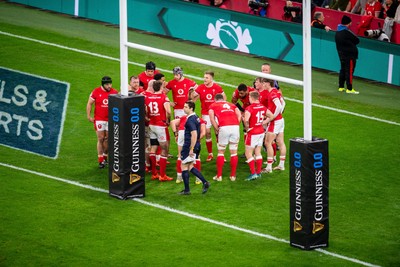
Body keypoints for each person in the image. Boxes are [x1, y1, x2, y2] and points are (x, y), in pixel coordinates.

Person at [191, 71, 225, 162]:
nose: (204, 79)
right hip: (205, 113)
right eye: (204, 77)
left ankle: (221, 153)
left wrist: (221, 109)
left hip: (216, 113)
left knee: (218, 132)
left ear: (211, 79)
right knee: (207, 132)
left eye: (207, 78)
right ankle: (210, 154)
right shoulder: (201, 87)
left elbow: (224, 98)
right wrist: (192, 94)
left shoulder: (217, 87)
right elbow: (193, 97)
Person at [178, 101, 210, 195]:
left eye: (186, 107)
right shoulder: (196, 118)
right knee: (190, 166)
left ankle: (187, 190)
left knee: (184, 166)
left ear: (191, 108)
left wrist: (191, 148)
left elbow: (194, 134)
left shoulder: (190, 120)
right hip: (196, 145)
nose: (184, 108)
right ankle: (205, 182)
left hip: (189, 145)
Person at [86, 76, 118, 168]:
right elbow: (89, 103)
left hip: (110, 119)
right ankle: (100, 160)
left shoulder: (114, 92)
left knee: (108, 139)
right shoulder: (96, 92)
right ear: (103, 84)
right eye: (107, 84)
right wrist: (88, 116)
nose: (109, 86)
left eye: (110, 84)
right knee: (100, 138)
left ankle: (105, 156)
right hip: (99, 119)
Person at [144, 80, 173, 182]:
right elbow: (168, 111)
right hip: (160, 125)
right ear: (160, 87)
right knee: (164, 149)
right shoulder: (163, 97)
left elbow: (145, 110)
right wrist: (168, 120)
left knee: (153, 147)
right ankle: (163, 175)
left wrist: (147, 117)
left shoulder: (148, 97)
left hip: (151, 124)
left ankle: (154, 173)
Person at [209, 93, 241, 181]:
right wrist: (236, 124)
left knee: (221, 152)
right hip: (235, 127)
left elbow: (212, 119)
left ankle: (219, 176)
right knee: (234, 152)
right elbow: (239, 115)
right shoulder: (232, 105)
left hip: (223, 127)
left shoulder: (213, 105)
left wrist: (217, 129)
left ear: (215, 99)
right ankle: (233, 176)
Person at [262, 79, 286, 173]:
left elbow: (279, 106)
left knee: (268, 143)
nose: (263, 84)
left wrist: (272, 117)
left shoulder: (272, 93)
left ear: (268, 83)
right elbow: (283, 103)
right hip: (280, 120)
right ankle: (281, 165)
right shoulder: (276, 91)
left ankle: (268, 167)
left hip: (275, 121)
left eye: (264, 83)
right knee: (280, 142)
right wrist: (279, 114)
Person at [243, 91, 269, 180]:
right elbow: (271, 116)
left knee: (248, 152)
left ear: (252, 98)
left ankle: (253, 173)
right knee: (258, 152)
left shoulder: (249, 108)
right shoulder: (263, 107)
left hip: (253, 132)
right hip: (261, 131)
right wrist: (264, 122)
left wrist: (247, 129)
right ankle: (258, 173)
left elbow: (246, 120)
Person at [335, 15, 360, 94]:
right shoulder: (346, 32)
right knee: (349, 70)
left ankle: (341, 87)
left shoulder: (338, 32)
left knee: (342, 69)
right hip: (349, 54)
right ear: (348, 23)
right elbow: (357, 40)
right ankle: (349, 88)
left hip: (341, 53)